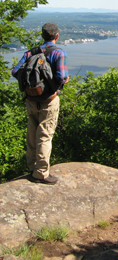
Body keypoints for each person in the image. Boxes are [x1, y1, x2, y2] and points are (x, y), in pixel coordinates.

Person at [12, 22, 69, 185]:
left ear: (42, 35)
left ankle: (31, 166)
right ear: (56, 36)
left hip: (31, 100)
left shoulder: (31, 52)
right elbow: (61, 77)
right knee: (44, 135)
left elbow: (15, 71)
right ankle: (41, 173)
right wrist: (64, 80)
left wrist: (32, 86)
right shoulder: (59, 53)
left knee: (31, 132)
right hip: (49, 101)